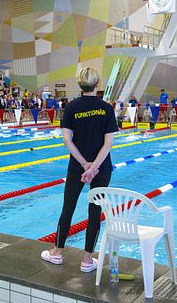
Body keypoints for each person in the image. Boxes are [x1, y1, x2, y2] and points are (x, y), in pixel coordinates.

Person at [41, 67, 119, 272]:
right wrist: (94, 167)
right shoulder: (106, 108)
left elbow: (67, 140)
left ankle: (57, 253)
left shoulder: (72, 107)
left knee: (68, 207)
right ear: (97, 84)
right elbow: (108, 143)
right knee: (95, 212)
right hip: (101, 168)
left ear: (79, 84)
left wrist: (84, 164)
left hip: (77, 167)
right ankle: (87, 260)